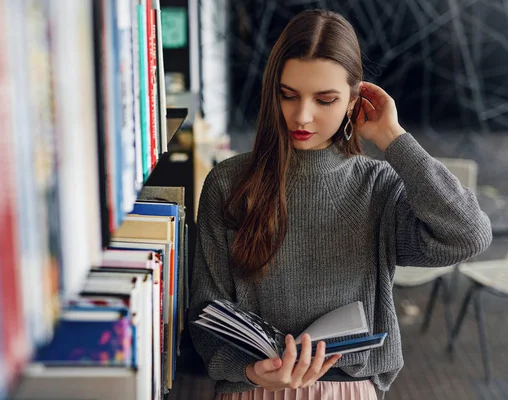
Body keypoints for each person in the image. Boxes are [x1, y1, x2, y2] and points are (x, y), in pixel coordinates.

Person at [188, 8, 492, 400]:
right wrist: (250, 371)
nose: (302, 115)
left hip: (346, 390)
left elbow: (467, 235)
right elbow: (205, 310)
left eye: (325, 100)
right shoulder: (229, 183)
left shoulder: (377, 186)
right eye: (288, 95)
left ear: (353, 101)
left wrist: (394, 139)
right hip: (253, 389)